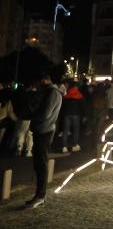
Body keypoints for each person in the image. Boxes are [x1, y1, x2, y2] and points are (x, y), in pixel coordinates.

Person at [24, 73, 62, 208]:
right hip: (43, 129)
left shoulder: (52, 93)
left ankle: (40, 195)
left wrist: (33, 114)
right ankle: (39, 195)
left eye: (39, 82)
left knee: (41, 163)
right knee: (39, 162)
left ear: (45, 80)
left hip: (45, 131)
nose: (37, 85)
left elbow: (45, 114)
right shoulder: (50, 92)